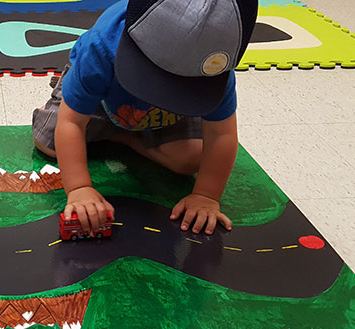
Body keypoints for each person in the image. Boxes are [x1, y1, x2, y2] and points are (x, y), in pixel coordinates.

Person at [32, 0, 258, 235]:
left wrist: (206, 195)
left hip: (163, 114)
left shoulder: (215, 67)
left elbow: (222, 134)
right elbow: (72, 122)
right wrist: (79, 188)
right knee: (48, 142)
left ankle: (124, 136)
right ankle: (76, 92)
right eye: (159, 78)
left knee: (191, 159)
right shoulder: (102, 46)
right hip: (102, 100)